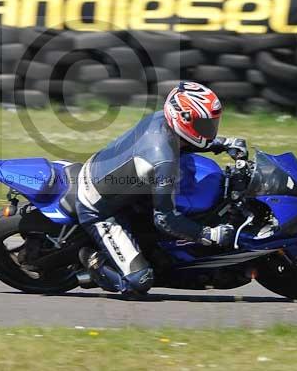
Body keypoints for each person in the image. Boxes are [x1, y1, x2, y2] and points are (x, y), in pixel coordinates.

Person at [75, 81, 248, 295]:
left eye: (212, 123)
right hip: (98, 207)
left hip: (114, 176)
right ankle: (94, 262)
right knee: (139, 282)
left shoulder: (162, 120)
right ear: (182, 118)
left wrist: (222, 143)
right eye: (205, 124)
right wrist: (208, 234)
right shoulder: (163, 161)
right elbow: (165, 219)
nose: (210, 129)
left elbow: (189, 140)